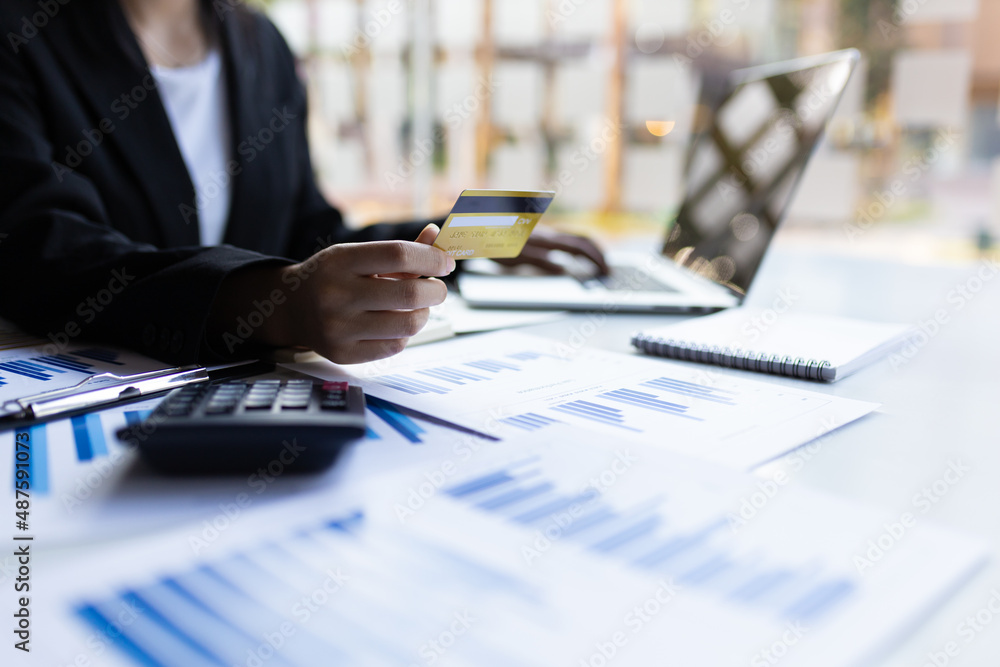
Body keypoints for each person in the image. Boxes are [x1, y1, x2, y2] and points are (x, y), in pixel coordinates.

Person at [0, 0, 606, 365]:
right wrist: (270, 303)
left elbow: (303, 230)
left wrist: (457, 242)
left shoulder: (259, 44)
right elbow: (42, 252)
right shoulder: (22, 32)